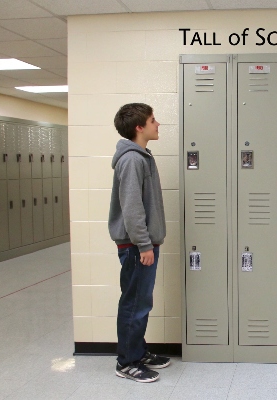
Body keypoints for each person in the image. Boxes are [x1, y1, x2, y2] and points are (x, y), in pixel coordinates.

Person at [108, 103, 170, 383]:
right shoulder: (132, 160)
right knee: (135, 303)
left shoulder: (141, 156)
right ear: (139, 127)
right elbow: (132, 208)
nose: (158, 124)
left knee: (141, 301)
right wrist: (144, 245)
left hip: (141, 245)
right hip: (136, 247)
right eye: (153, 120)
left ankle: (137, 351)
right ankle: (127, 362)